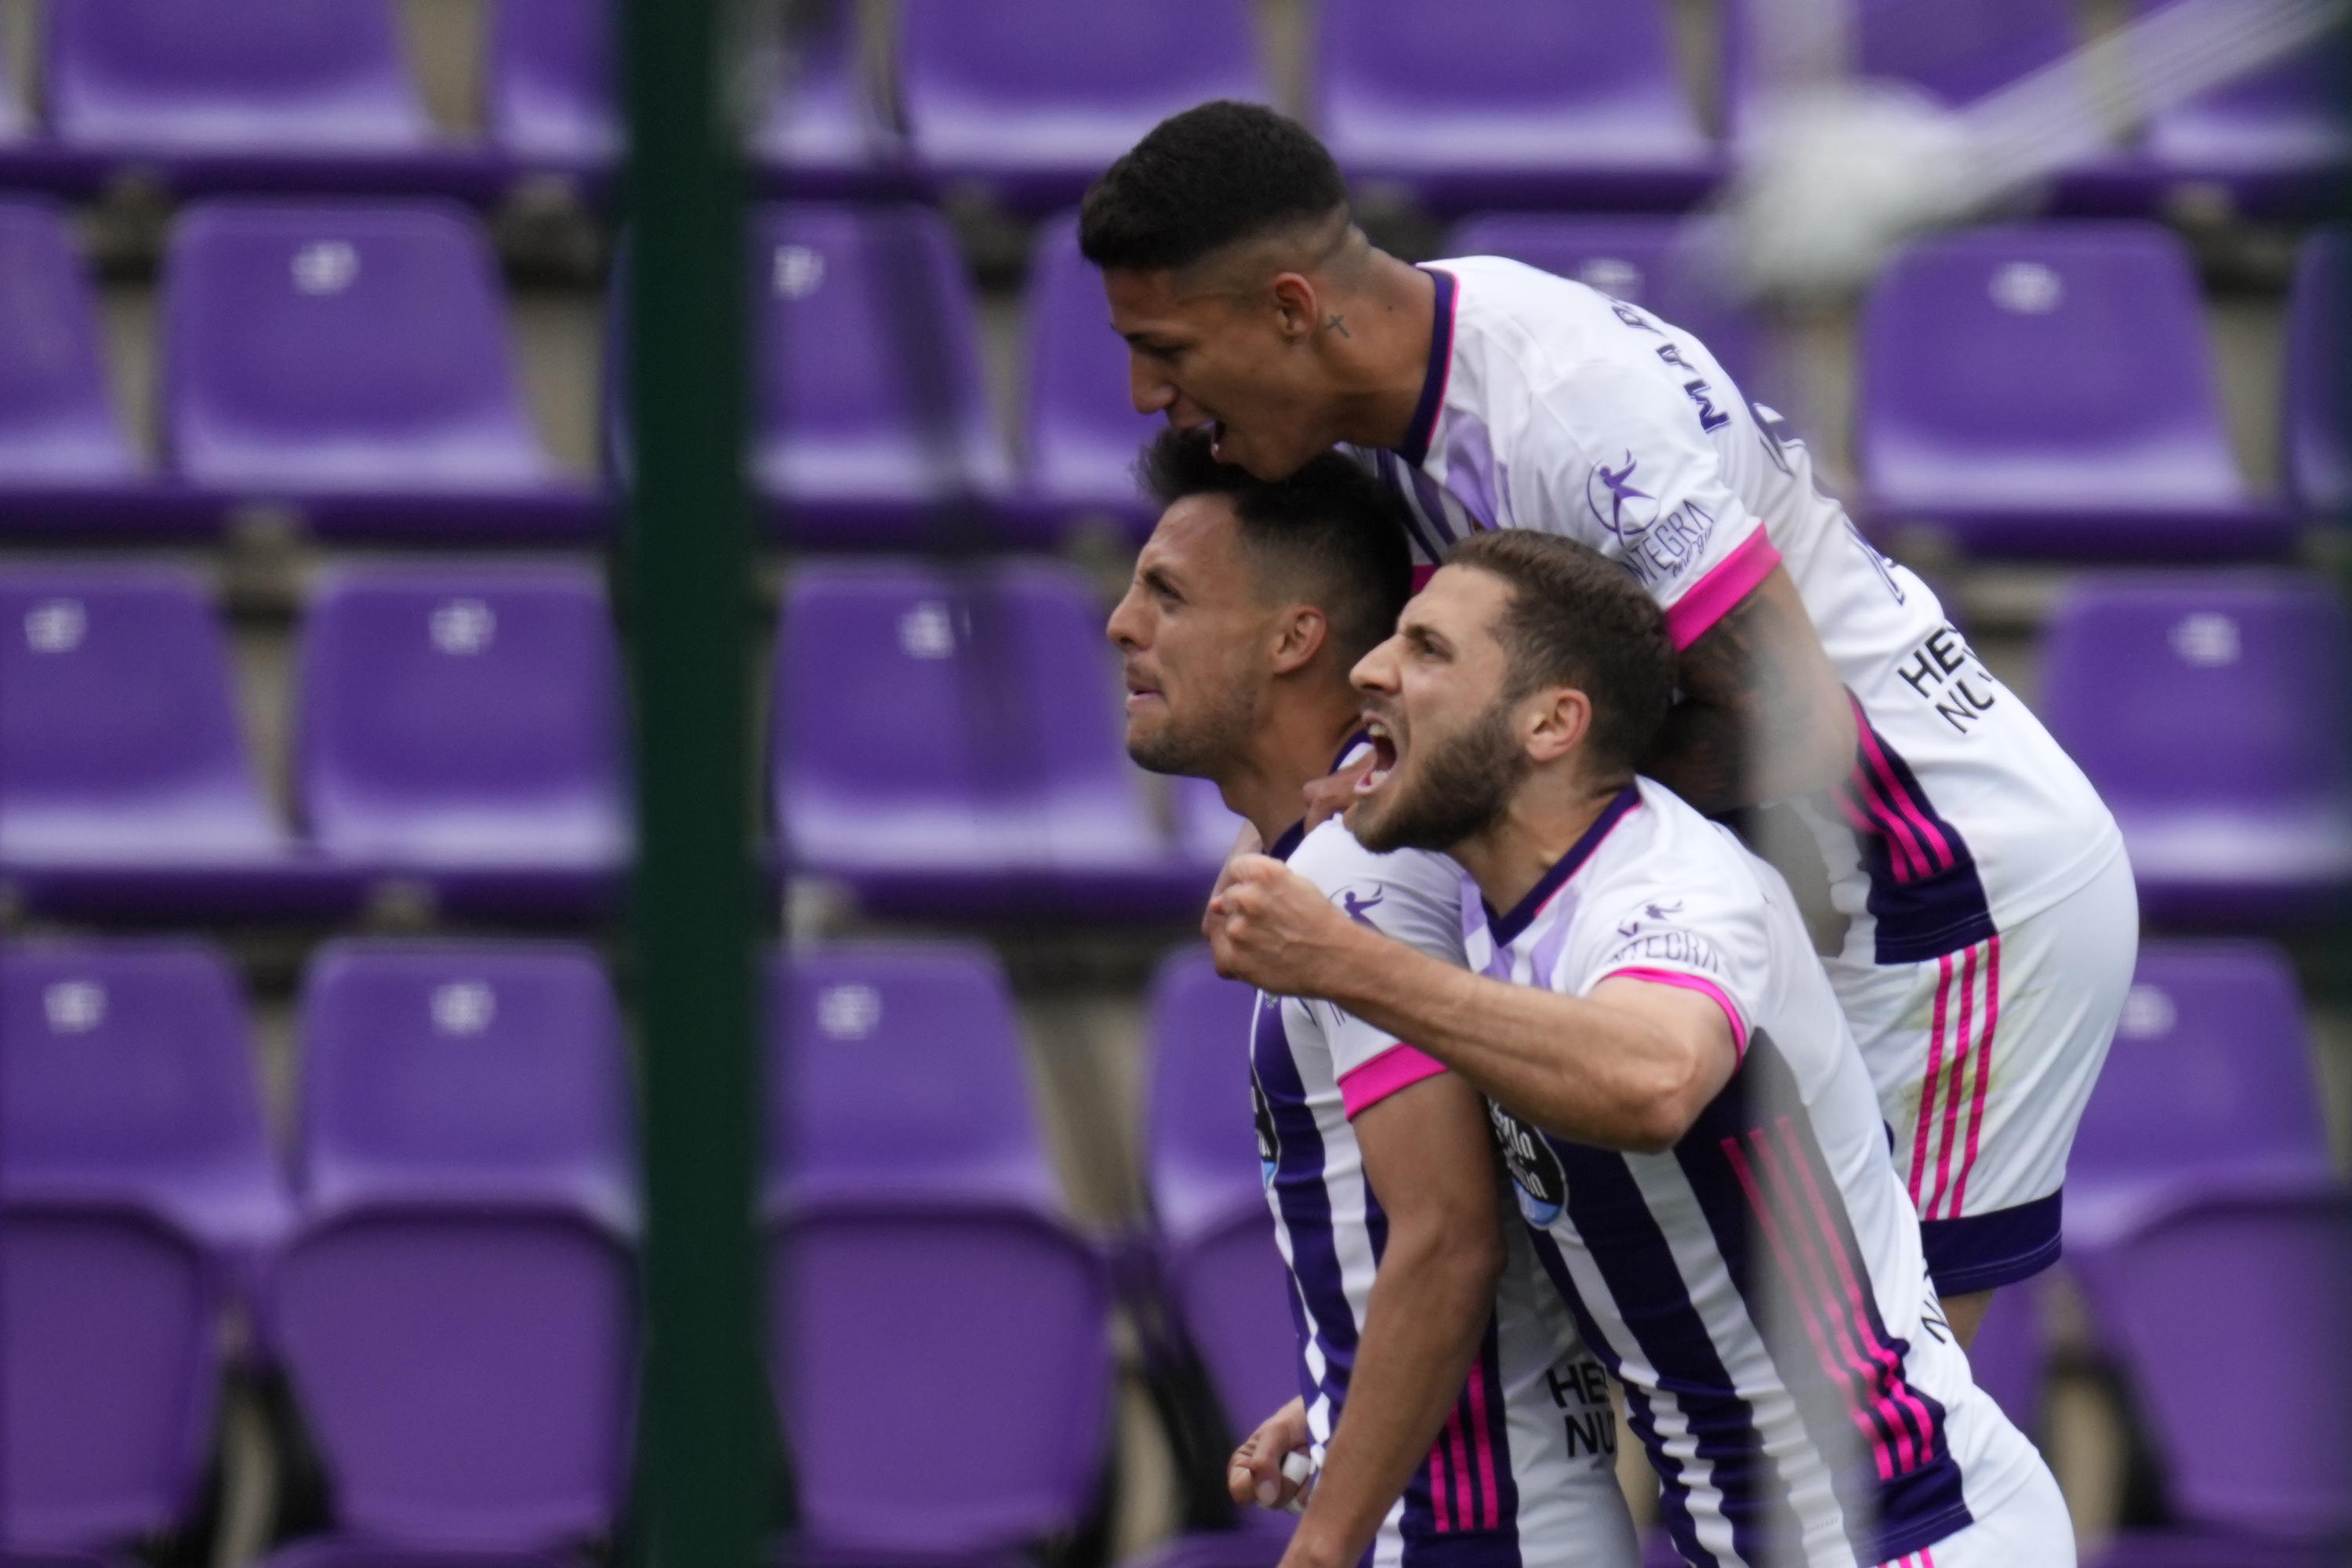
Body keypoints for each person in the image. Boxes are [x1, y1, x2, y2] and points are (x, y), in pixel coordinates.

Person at [1080, 102, 2137, 1343]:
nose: (1149, 394)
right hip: (1827, 891)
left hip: (1952, 894)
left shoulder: (1567, 419)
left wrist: (1439, 790)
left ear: (1293, 310)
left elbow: (1793, 726)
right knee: (1754, 1386)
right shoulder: (1422, 375)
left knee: (1880, 1414)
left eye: (1166, 348)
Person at [1205, 530, 2075, 1568]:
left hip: (1912, 1534)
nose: (1371, 671)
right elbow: (1578, 1219)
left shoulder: (1668, 890)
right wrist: (1353, 1407)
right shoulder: (1504, 906)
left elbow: (1654, 1080)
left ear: (1550, 722)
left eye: (1428, 650)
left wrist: (1349, 964)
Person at [1108, 429, 1641, 1568]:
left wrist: (1321, 1549)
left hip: (1479, 1538)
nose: (1122, 623)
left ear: (1296, 637)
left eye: (1166, 593)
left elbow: (1449, 1240)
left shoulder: (1363, 873)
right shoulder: (1348, 854)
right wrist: (1343, 1406)